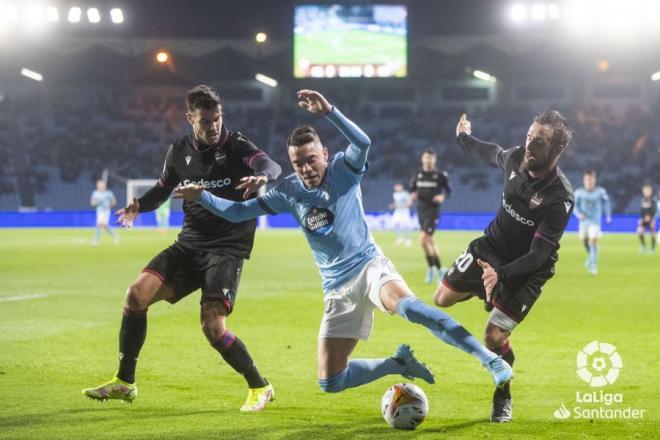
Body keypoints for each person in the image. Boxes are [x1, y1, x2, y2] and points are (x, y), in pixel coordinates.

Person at [175, 90, 513, 399]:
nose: (306, 168)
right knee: (330, 381)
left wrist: (329, 111)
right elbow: (237, 212)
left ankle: (490, 361)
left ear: (324, 153)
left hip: (368, 266)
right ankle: (397, 362)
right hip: (336, 287)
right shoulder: (289, 192)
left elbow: (363, 143)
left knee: (411, 308)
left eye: (311, 159)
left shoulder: (343, 169)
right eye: (298, 163)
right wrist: (202, 195)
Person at [82, 85, 282, 412]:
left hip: (227, 248)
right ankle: (125, 382)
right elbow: (162, 189)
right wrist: (138, 206)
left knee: (212, 326)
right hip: (189, 245)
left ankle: (260, 386)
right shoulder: (178, 152)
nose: (214, 125)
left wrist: (262, 178)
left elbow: (269, 165)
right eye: (206, 121)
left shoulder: (236, 145)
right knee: (135, 295)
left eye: (217, 118)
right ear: (190, 118)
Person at [434, 112, 574, 423]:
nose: (529, 144)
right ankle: (484, 291)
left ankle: (503, 390)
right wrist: (463, 137)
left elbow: (538, 255)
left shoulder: (559, 198)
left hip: (526, 270)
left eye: (539, 141)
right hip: (490, 247)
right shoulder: (513, 160)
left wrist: (501, 276)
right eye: (529, 136)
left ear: (558, 150)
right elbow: (488, 150)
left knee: (493, 337)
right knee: (440, 298)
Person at [409, 149, 451, 283]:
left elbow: (449, 191)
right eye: (426, 158)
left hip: (433, 212)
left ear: (434, 160)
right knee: (429, 242)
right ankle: (436, 269)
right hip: (421, 211)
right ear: (422, 159)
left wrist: (442, 196)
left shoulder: (440, 175)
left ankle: (436, 268)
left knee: (423, 240)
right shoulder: (417, 175)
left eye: (431, 158)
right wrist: (411, 197)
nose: (428, 160)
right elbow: (412, 190)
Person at [573, 171, 611, 275]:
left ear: (594, 180)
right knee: (584, 241)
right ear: (584, 180)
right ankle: (590, 257)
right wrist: (579, 214)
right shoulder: (579, 192)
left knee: (593, 241)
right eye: (587, 179)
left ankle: (593, 266)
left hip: (595, 221)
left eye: (591, 179)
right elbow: (574, 206)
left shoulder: (600, 191)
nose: (589, 181)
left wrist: (608, 215)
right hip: (584, 221)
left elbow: (606, 203)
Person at [90, 179, 119, 246]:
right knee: (104, 226)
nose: (100, 186)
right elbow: (92, 203)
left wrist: (110, 205)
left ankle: (96, 240)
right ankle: (116, 236)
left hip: (106, 211)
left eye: (102, 185)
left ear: (104, 185)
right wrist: (96, 202)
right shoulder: (95, 193)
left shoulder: (108, 193)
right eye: (99, 185)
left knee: (99, 224)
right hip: (99, 211)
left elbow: (114, 201)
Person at [637, 184, 657, 254]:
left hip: (650, 219)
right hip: (643, 219)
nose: (645, 192)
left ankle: (652, 248)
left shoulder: (653, 200)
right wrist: (641, 218)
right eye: (644, 191)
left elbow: (654, 210)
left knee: (652, 233)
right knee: (639, 232)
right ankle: (643, 246)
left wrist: (650, 217)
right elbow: (641, 210)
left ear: (650, 191)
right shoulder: (642, 200)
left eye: (647, 191)